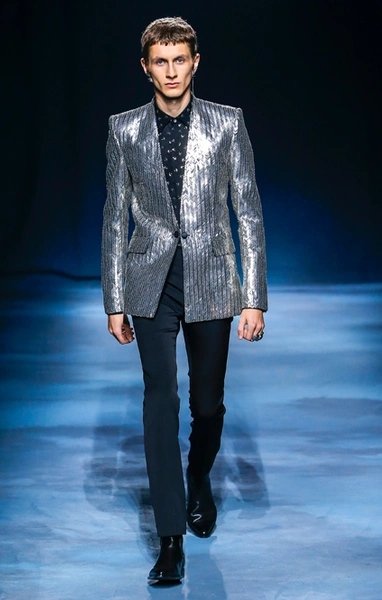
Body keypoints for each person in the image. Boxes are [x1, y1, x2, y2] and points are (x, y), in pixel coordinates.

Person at [102, 16, 267, 584]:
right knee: (160, 401)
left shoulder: (227, 123)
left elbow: (247, 210)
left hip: (212, 277)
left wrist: (254, 297)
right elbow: (114, 218)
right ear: (145, 68)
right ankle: (170, 540)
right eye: (160, 61)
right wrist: (114, 299)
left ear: (195, 62)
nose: (171, 71)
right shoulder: (124, 129)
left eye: (179, 60)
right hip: (150, 279)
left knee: (208, 406)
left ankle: (198, 478)